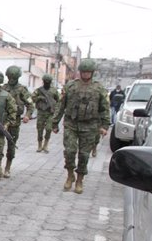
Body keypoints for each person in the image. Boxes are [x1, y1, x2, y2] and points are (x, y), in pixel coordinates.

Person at [52, 58, 110, 194]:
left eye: (88, 72)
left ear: (92, 73)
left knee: (84, 155)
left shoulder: (99, 88)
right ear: (79, 72)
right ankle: (70, 175)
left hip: (90, 126)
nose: (85, 75)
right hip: (71, 124)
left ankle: (79, 180)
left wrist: (105, 126)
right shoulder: (70, 86)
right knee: (70, 151)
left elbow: (104, 108)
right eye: (83, 72)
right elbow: (61, 105)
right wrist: (54, 123)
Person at [3, 65, 35, 177]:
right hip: (2, 120)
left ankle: (7, 167)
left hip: (15, 122)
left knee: (11, 146)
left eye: (13, 77)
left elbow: (30, 104)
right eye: (9, 76)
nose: (11, 79)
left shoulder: (22, 90)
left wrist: (27, 115)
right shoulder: (3, 88)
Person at [30, 73, 60, 153]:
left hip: (50, 113)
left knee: (49, 129)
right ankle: (40, 145)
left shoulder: (54, 90)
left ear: (50, 82)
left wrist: (55, 108)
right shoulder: (39, 90)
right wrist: (39, 98)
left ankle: (45, 145)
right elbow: (32, 98)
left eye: (48, 82)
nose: (47, 83)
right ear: (43, 81)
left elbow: (59, 100)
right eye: (46, 81)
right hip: (41, 112)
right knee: (40, 129)